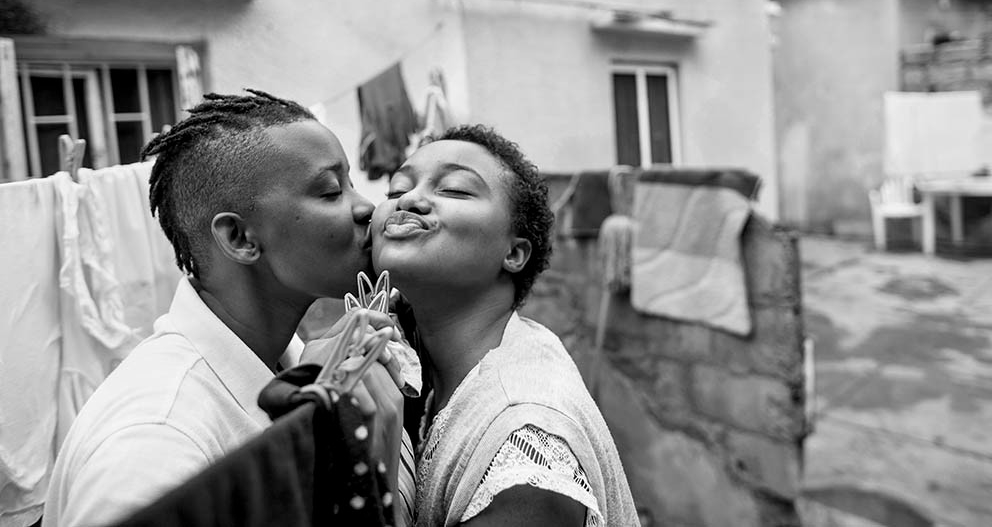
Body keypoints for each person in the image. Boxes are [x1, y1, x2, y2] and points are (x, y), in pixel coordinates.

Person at [44, 90, 405, 527]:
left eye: (349, 183)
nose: (367, 207)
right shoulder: (158, 436)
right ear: (240, 238)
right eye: (331, 191)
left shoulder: (291, 356)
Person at [370, 125, 639, 526]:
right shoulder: (411, 355)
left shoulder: (523, 455)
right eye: (395, 190)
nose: (408, 199)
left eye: (455, 190)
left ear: (513, 252)